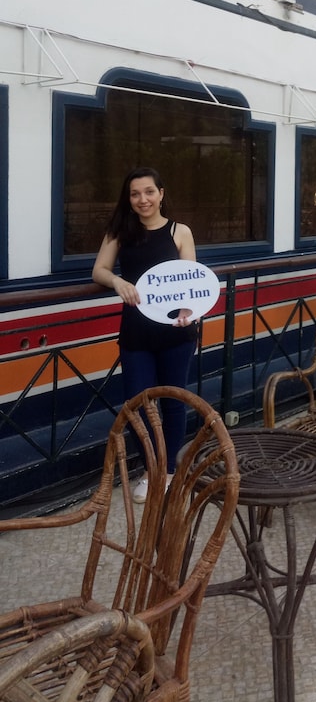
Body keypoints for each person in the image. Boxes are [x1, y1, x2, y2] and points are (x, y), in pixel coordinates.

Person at [93, 167, 198, 503]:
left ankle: (167, 473)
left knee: (173, 402)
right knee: (136, 405)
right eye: (135, 194)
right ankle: (150, 468)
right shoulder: (119, 232)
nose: (143, 199)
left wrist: (188, 311)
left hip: (176, 332)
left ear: (161, 194)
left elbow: (191, 281)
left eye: (149, 192)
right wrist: (117, 281)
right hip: (136, 333)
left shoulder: (180, 232)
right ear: (129, 198)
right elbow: (99, 270)